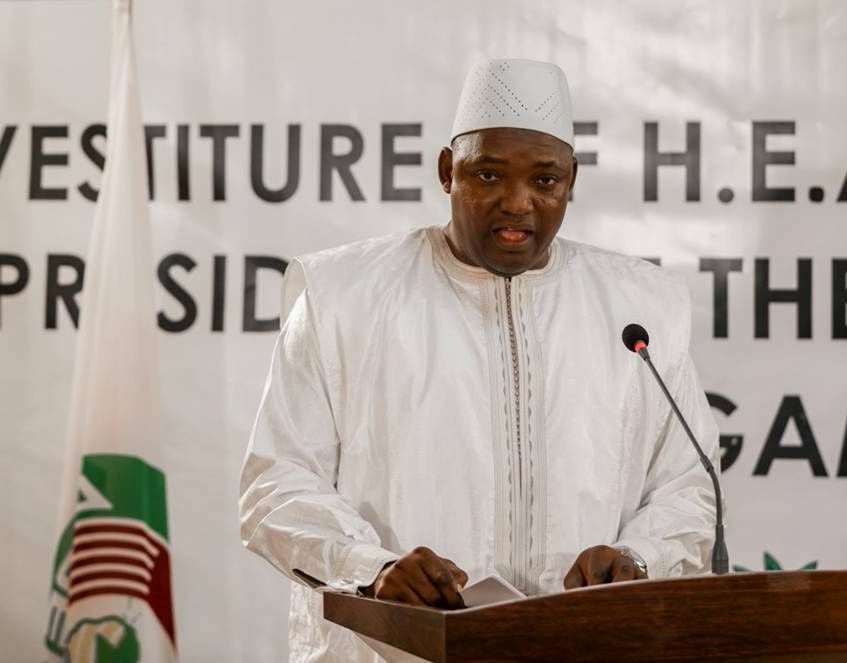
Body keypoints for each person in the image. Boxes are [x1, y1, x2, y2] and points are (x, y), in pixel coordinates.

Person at [238, 58, 719, 662]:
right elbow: (276, 485)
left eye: (545, 182)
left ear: (571, 180)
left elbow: (689, 485)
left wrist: (638, 558)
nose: (517, 204)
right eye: (489, 175)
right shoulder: (343, 295)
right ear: (448, 171)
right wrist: (375, 568)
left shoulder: (641, 306)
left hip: (582, 648)